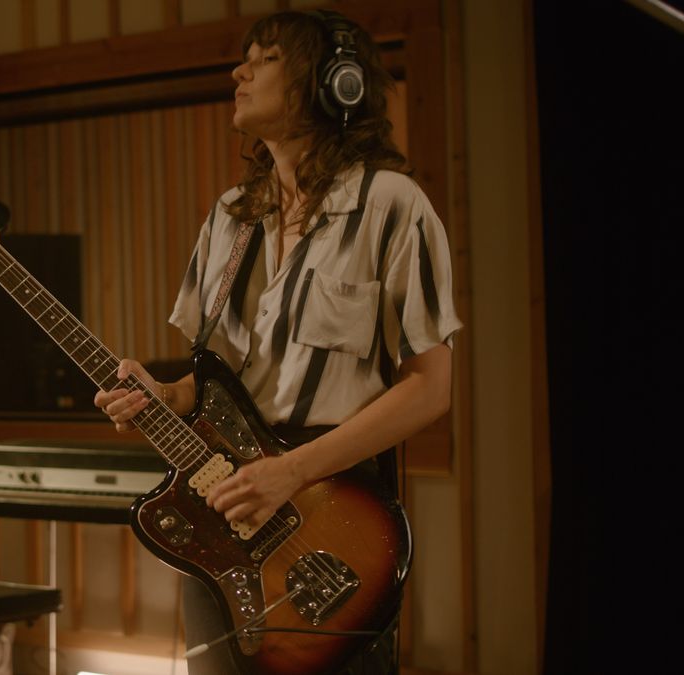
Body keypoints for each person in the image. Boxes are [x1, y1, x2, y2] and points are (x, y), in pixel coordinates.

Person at [93, 10, 462, 675]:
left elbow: (431, 387)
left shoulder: (392, 207)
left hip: (330, 528)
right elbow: (209, 385)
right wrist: (162, 392)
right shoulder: (230, 217)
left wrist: (291, 471)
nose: (240, 71)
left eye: (263, 59)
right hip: (222, 518)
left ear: (331, 84)